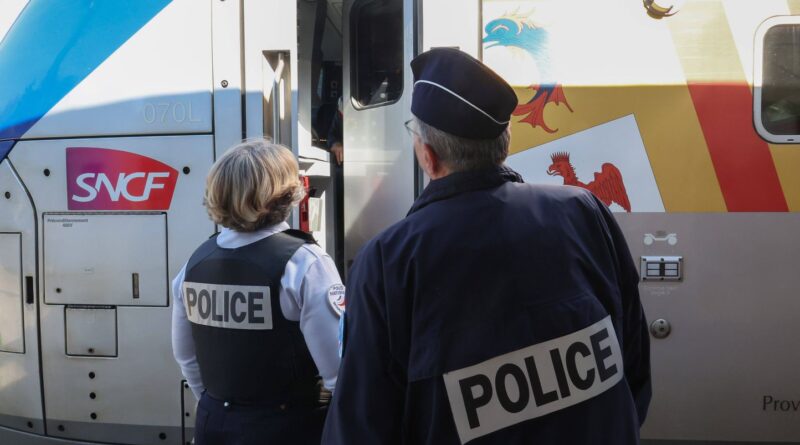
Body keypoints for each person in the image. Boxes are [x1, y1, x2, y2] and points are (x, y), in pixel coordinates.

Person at [322, 48, 651, 444]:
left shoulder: (388, 260)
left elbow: (361, 423)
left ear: (428, 155)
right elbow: (631, 363)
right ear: (504, 144)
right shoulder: (583, 211)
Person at [171, 139, 344, 445]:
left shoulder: (193, 264)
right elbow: (339, 371)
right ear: (286, 193)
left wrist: (226, 410)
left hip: (213, 424)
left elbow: (186, 358)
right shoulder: (306, 263)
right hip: (288, 427)